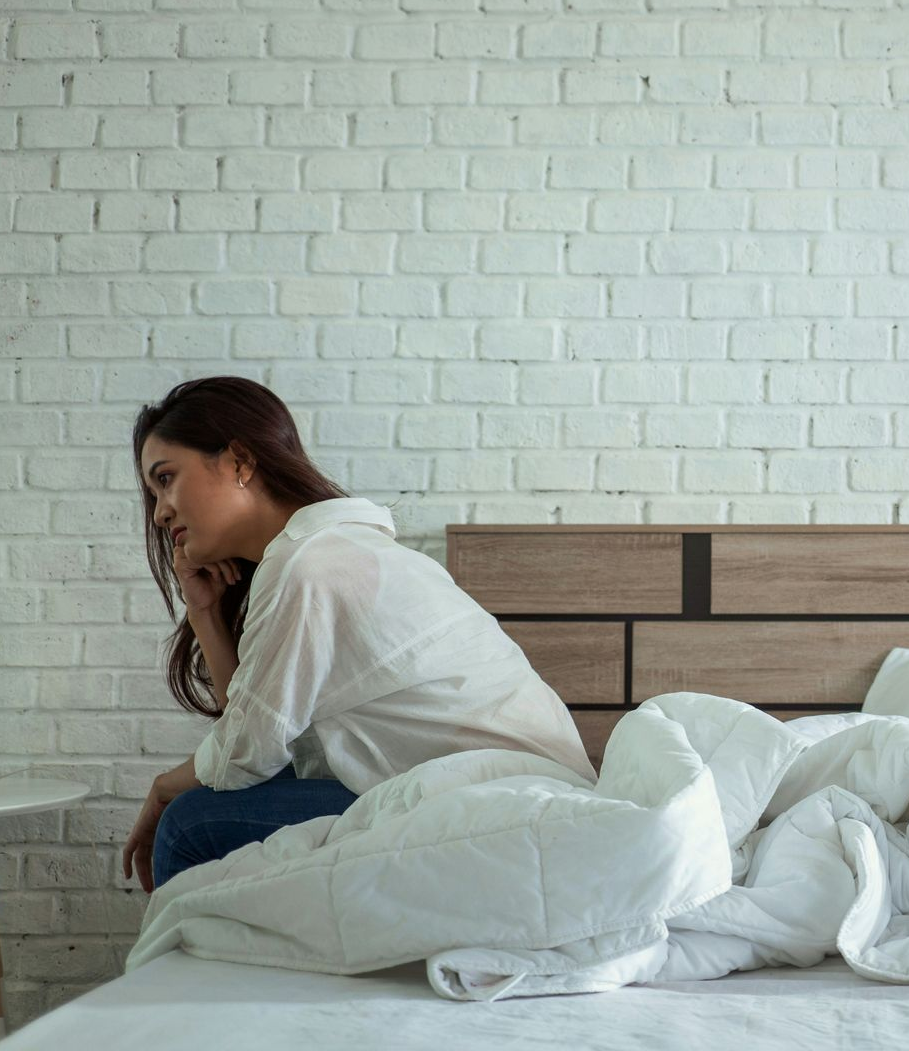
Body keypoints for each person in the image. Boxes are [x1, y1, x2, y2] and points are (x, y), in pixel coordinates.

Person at [121, 376, 594, 893]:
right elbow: (256, 734)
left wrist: (164, 787)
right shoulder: (326, 551)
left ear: (239, 461)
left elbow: (243, 754)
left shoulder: (311, 565)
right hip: (499, 787)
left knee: (189, 824)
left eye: (166, 479)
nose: (161, 510)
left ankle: (184, 973)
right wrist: (206, 616)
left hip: (503, 803)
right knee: (223, 799)